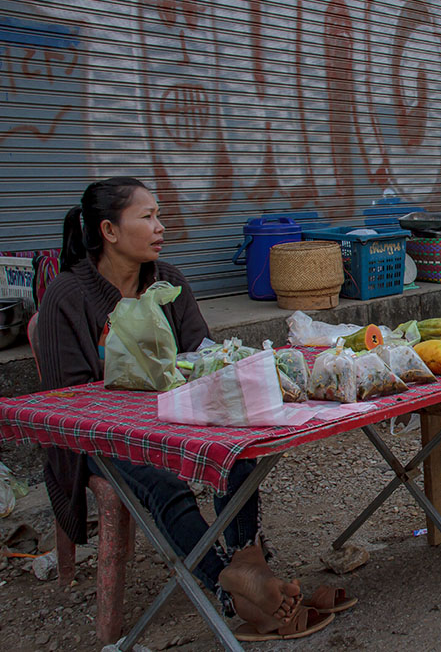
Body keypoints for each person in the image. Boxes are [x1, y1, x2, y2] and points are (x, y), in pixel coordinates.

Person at [36, 178, 340, 640]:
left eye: (158, 215)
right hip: (101, 436)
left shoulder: (169, 282)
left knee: (240, 443)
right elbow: (68, 403)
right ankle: (226, 589)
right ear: (109, 231)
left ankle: (248, 560)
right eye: (147, 217)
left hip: (177, 418)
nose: (161, 227)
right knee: (164, 483)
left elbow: (205, 356)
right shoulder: (67, 296)